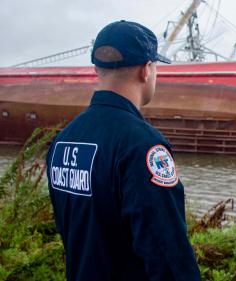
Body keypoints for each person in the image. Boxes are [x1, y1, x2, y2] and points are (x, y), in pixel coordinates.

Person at [46, 20, 201, 281]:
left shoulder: (64, 140)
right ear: (146, 70)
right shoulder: (143, 146)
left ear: (97, 69)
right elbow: (168, 256)